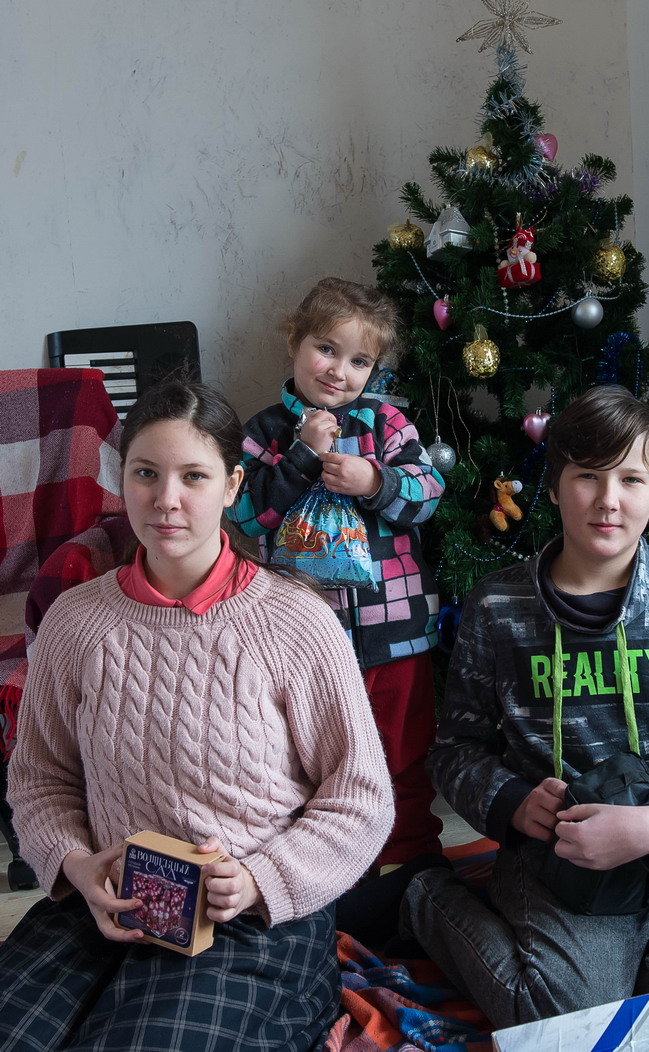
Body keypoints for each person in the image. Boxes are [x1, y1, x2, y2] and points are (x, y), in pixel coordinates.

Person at [0, 380, 394, 1052]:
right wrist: (75, 865)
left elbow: (361, 798)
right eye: (145, 473)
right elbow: (40, 778)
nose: (166, 499)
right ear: (122, 480)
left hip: (252, 918)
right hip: (108, 902)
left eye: (193, 476)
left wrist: (260, 881)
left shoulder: (296, 624)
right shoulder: (76, 621)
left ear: (233, 485)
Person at [400, 384, 649, 1027]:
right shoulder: (497, 605)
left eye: (631, 479)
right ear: (556, 487)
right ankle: (426, 898)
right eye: (588, 476)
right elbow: (455, 750)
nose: (609, 499)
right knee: (569, 1018)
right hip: (555, 858)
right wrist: (512, 802)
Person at [229, 277, 444, 871]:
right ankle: (327, 870)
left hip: (395, 629)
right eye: (326, 349)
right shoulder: (264, 433)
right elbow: (244, 515)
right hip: (302, 639)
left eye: (359, 361)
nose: (338, 371)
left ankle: (411, 863)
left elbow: (427, 494)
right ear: (294, 341)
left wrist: (375, 481)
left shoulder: (386, 424)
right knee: (318, 761)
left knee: (402, 751)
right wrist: (299, 456)